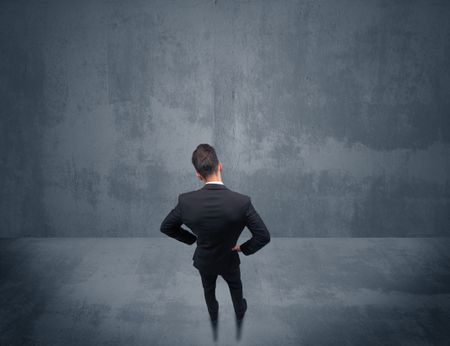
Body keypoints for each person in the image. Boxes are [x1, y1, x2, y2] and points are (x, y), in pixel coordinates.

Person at [160, 143, 271, 322]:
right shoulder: (242, 202)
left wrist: (192, 239)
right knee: (236, 287)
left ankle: (213, 315)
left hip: (204, 260)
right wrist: (243, 248)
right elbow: (263, 236)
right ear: (220, 166)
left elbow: (166, 227)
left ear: (198, 175)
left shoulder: (185, 201)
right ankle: (240, 312)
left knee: (208, 289)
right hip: (229, 259)